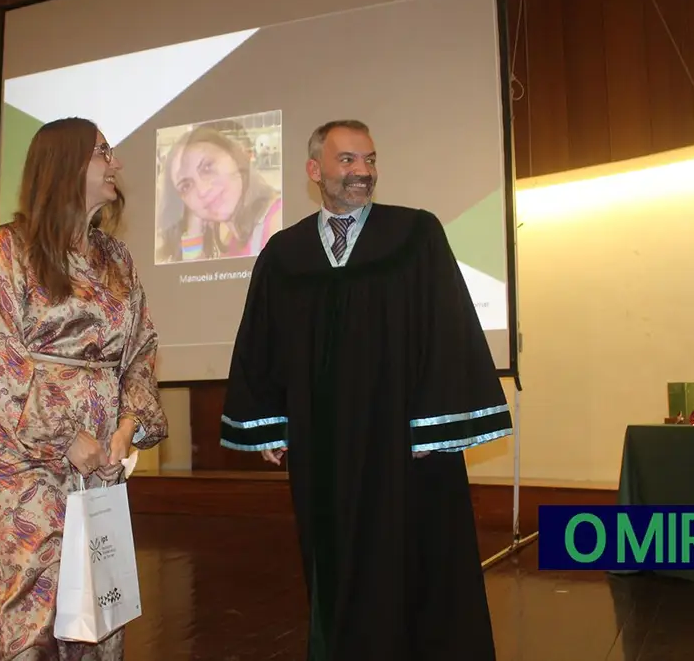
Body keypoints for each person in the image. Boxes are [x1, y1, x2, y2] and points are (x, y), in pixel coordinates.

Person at [219, 119, 512, 660]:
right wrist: (267, 422)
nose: (362, 172)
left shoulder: (414, 235)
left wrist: (438, 425)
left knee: (419, 563)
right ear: (315, 170)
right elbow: (262, 341)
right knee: (335, 564)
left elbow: (449, 327)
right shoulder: (284, 254)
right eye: (348, 160)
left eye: (369, 160)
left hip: (406, 445)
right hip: (323, 449)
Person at [0, 117, 168, 661]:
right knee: (37, 604)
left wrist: (128, 428)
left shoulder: (116, 259)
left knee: (97, 604)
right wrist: (63, 437)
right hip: (29, 465)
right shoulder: (7, 251)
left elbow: (141, 349)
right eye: (103, 152)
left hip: (101, 459)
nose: (116, 163)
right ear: (66, 164)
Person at [155, 119, 282, 264]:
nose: (202, 191)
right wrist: (194, 229)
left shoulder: (276, 221)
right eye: (186, 186)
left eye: (207, 167)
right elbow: (195, 278)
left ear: (235, 156)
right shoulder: (231, 237)